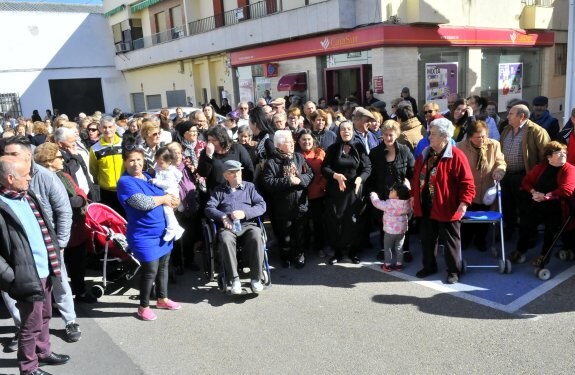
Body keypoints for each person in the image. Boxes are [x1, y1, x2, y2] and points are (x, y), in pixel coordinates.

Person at [0, 136, 82, 345]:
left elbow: (63, 210)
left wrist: (61, 243)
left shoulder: (45, 177)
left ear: (27, 156)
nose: (6, 158)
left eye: (12, 154)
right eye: (5, 154)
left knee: (59, 282)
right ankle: (23, 327)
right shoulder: (4, 175)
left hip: (47, 246)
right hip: (15, 251)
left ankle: (70, 320)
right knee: (13, 289)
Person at [0, 156, 71, 375]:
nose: (30, 178)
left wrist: (55, 260)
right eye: (26, 174)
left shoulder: (27, 196)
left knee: (46, 316)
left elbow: (44, 227)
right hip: (26, 275)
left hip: (46, 269)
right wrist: (12, 278)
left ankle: (43, 352)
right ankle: (29, 368)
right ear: (10, 178)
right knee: (29, 325)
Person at [116, 145, 181, 321]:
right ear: (125, 162)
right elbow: (142, 203)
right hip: (143, 234)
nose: (136, 164)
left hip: (162, 231)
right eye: (131, 160)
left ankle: (162, 298)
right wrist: (164, 199)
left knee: (163, 266)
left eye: (139, 160)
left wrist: (174, 200)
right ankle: (143, 306)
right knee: (150, 270)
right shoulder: (125, 182)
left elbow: (168, 191)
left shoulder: (148, 176)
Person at [411, 118, 475, 284]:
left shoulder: (457, 156)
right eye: (430, 133)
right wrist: (413, 195)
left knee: (450, 241)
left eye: (432, 134)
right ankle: (429, 266)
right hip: (426, 205)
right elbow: (416, 177)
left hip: (447, 206)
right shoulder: (426, 153)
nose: (429, 137)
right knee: (427, 239)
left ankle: (453, 270)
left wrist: (464, 203)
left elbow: (467, 183)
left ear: (445, 137)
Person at [33, 142, 95, 306]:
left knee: (78, 264)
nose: (63, 160)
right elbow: (61, 203)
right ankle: (56, 300)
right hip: (55, 231)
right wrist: (73, 200)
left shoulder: (65, 176)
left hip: (76, 228)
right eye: (59, 157)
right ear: (49, 160)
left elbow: (80, 194)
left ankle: (80, 291)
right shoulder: (38, 179)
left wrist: (76, 199)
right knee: (56, 268)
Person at [204, 160, 267, 294]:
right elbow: (209, 208)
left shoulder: (250, 187)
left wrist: (245, 213)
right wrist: (223, 216)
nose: (237, 175)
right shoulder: (219, 190)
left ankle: (256, 278)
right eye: (233, 173)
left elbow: (261, 205)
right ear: (226, 175)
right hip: (229, 227)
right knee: (225, 239)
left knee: (256, 235)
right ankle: (234, 279)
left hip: (248, 224)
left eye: (238, 172)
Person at [509, 141, 575, 266]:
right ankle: (521, 250)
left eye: (564, 152)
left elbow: (567, 190)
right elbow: (526, 182)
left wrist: (546, 196)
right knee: (525, 225)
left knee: (550, 233)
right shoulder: (541, 167)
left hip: (559, 207)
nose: (563, 155)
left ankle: (544, 257)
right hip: (538, 204)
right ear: (549, 157)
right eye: (558, 153)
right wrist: (534, 192)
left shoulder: (570, 169)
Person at [322, 121, 372, 264]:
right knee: (335, 221)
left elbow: (367, 167)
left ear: (353, 131)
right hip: (336, 191)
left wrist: (360, 179)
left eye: (349, 129)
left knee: (353, 221)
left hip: (354, 191)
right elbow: (325, 168)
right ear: (339, 132)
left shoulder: (359, 147)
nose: (346, 131)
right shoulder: (332, 148)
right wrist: (336, 176)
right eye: (343, 129)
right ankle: (337, 252)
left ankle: (353, 251)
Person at [262, 130, 313, 268]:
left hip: (300, 204)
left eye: (292, 141)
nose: (292, 143)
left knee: (300, 233)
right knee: (285, 235)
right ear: (279, 145)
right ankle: (286, 256)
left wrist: (300, 180)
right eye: (288, 142)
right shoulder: (271, 162)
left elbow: (309, 174)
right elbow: (268, 182)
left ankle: (299, 255)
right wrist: (289, 181)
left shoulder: (298, 157)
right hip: (282, 206)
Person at [367, 120, 415, 261]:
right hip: (383, 194)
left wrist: (409, 186)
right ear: (382, 135)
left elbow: (412, 170)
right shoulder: (375, 153)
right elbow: (371, 174)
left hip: (402, 195)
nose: (388, 138)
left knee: (404, 222)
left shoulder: (405, 150)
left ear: (396, 135)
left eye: (391, 135)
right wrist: (372, 192)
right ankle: (384, 249)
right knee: (384, 223)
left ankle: (404, 250)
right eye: (386, 135)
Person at [499, 104, 549, 238]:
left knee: (526, 209)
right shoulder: (506, 130)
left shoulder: (537, 131)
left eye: (511, 114)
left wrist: (537, 178)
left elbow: (546, 156)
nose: (507, 116)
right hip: (506, 175)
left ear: (521, 116)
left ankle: (528, 237)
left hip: (525, 176)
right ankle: (509, 232)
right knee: (508, 206)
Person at [457, 120, 507, 251]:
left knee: (484, 217)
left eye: (484, 136)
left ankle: (481, 241)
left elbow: (500, 162)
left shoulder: (494, 145)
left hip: (486, 188)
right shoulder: (460, 147)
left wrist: (499, 171)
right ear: (470, 137)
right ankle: (466, 241)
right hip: (468, 190)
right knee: (467, 217)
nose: (482, 139)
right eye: (478, 137)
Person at [296, 129, 328, 257]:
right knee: (302, 224)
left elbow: (326, 171)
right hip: (301, 195)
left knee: (318, 223)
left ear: (313, 140)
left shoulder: (320, 153)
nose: (306, 142)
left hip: (318, 193)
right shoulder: (295, 154)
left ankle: (320, 247)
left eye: (309, 139)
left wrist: (321, 186)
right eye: (303, 139)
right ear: (298, 141)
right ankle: (304, 248)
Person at [197, 125, 254, 194]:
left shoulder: (237, 148)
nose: (211, 143)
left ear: (222, 139)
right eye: (209, 140)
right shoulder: (206, 152)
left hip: (236, 191)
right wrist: (208, 157)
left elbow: (249, 169)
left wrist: (243, 188)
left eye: (214, 140)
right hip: (216, 193)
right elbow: (202, 173)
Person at [370, 182, 412, 272]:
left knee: (387, 248)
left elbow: (377, 203)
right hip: (401, 231)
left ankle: (387, 265)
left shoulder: (389, 204)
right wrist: (407, 185)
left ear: (397, 196)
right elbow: (408, 192)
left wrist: (373, 195)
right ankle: (399, 265)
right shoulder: (407, 203)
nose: (390, 191)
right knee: (399, 248)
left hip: (389, 231)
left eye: (392, 191)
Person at [89, 116, 124, 215]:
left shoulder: (124, 144)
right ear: (100, 128)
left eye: (110, 127)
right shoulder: (95, 148)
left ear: (115, 127)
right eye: (104, 127)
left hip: (125, 188)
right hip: (106, 192)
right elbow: (93, 170)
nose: (107, 130)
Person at [150, 147, 185, 242]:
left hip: (171, 192)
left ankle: (172, 228)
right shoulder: (160, 167)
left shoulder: (170, 172)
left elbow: (168, 183)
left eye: (161, 163)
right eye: (157, 162)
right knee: (167, 211)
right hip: (165, 193)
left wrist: (156, 181)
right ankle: (177, 228)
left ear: (169, 162)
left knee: (167, 210)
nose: (158, 164)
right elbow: (157, 172)